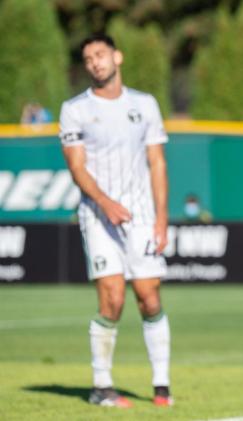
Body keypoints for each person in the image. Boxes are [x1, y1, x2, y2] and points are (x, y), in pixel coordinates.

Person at [59, 34, 172, 408]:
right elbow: (76, 167)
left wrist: (161, 219)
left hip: (141, 217)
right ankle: (101, 386)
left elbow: (157, 162)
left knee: (149, 297)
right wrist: (105, 203)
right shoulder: (74, 109)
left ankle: (161, 385)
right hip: (98, 216)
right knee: (112, 299)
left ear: (117, 57)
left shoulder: (145, 104)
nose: (95, 62)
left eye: (101, 54)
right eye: (88, 57)